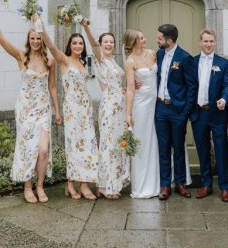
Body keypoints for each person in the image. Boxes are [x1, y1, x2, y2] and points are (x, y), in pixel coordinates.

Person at [0, 8, 60, 204]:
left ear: (42, 39)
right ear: (29, 40)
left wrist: (57, 110)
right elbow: (0, 38)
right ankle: (27, 187)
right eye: (33, 38)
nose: (36, 41)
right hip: (25, 108)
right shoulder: (21, 55)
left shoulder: (49, 60)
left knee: (43, 149)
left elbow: (52, 86)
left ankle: (40, 185)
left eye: (38, 38)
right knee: (28, 148)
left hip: (43, 108)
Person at [33, 14, 99, 200]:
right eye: (75, 43)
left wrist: (86, 27)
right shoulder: (63, 60)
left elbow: (95, 52)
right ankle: (70, 184)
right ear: (70, 45)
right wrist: (40, 26)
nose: (78, 46)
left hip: (85, 108)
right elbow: (51, 45)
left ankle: (84, 184)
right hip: (71, 109)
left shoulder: (85, 63)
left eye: (80, 43)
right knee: (73, 145)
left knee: (87, 144)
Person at [82, 21, 129, 200]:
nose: (109, 44)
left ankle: (114, 183)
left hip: (120, 107)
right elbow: (93, 43)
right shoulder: (101, 59)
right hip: (109, 106)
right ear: (101, 45)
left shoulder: (114, 62)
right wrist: (86, 27)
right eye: (105, 42)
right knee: (108, 145)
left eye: (111, 42)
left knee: (118, 144)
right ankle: (104, 186)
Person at [155, 24, 197, 200]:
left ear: (169, 40)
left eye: (159, 38)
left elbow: (191, 87)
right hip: (160, 109)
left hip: (177, 110)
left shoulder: (185, 57)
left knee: (178, 148)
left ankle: (179, 182)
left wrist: (185, 112)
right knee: (163, 148)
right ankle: (165, 185)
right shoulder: (158, 54)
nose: (157, 40)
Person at [191, 29, 228, 202]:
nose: (208, 44)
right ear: (200, 42)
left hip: (217, 113)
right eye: (205, 41)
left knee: (221, 149)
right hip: (198, 113)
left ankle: (224, 187)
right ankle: (206, 184)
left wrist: (224, 98)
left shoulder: (223, 63)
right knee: (202, 149)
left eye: (211, 41)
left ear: (215, 42)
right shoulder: (192, 62)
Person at [123, 29, 161, 198]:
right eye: (141, 38)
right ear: (133, 42)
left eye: (144, 36)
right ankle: (141, 186)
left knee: (155, 141)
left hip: (157, 102)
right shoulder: (130, 61)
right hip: (141, 105)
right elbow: (130, 88)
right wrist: (128, 115)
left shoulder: (153, 54)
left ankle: (156, 183)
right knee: (143, 142)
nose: (145, 39)